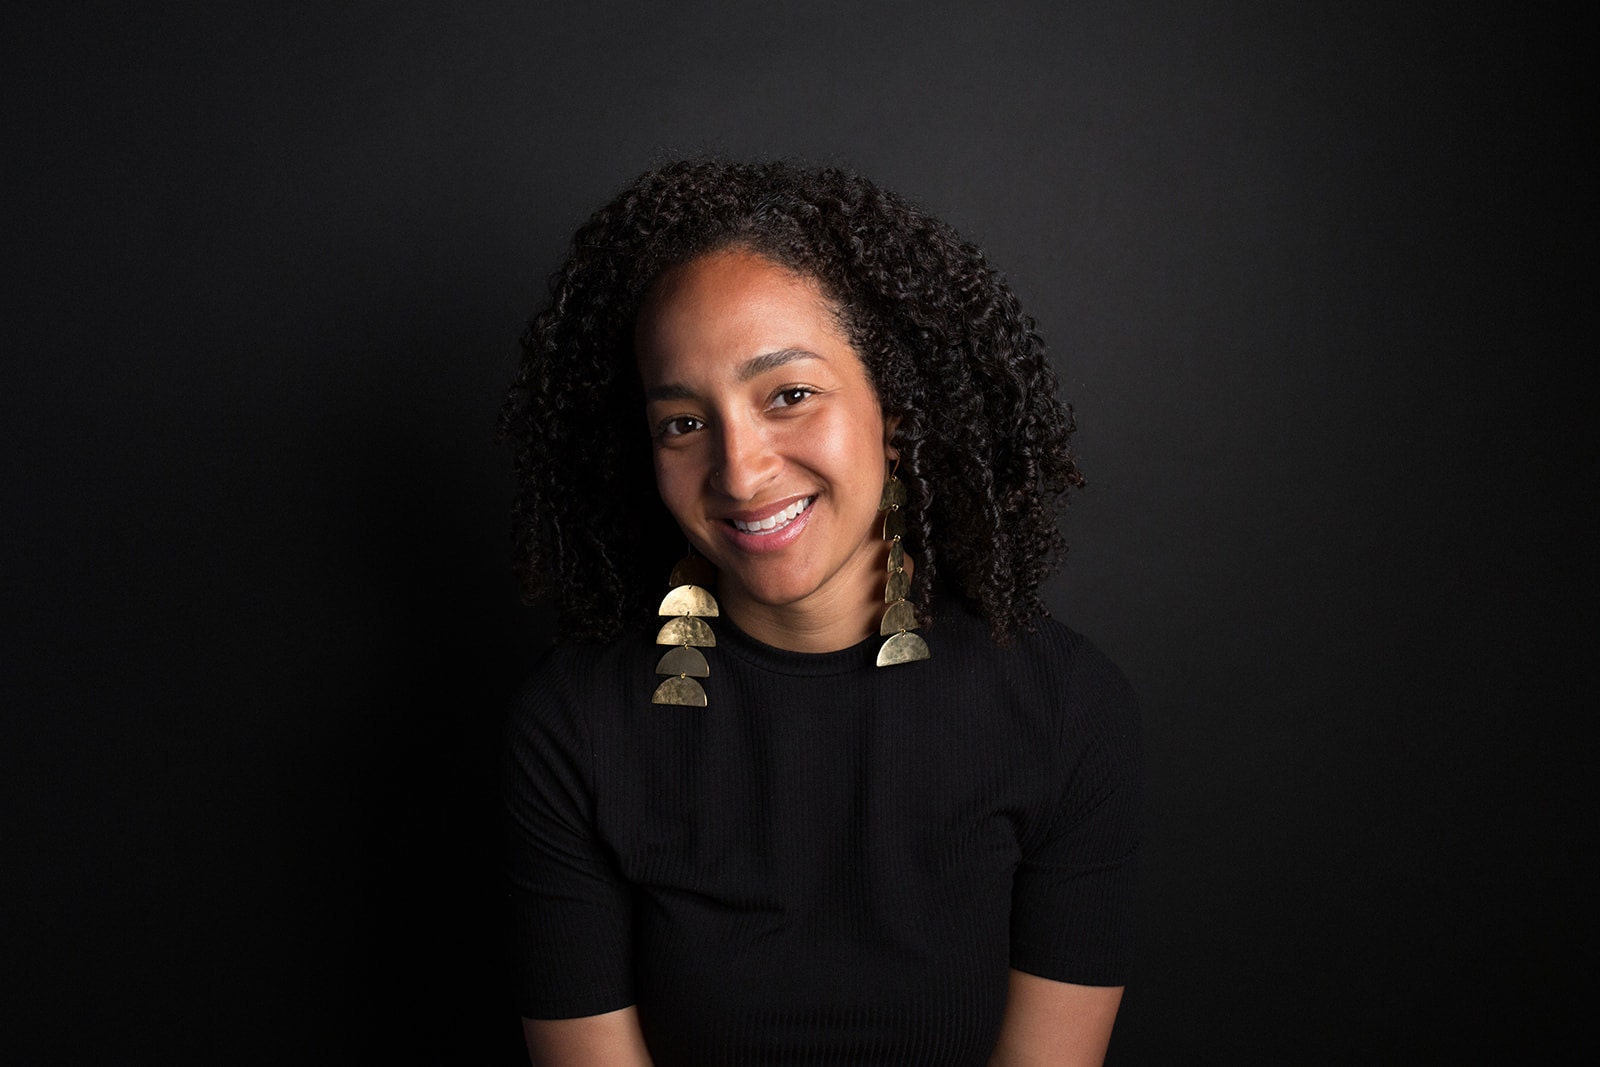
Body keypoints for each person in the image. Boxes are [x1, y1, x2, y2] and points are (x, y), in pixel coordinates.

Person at [499, 160, 1141, 1066]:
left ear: (897, 403)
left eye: (789, 395)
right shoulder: (574, 729)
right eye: (683, 422)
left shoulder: (1067, 710)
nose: (740, 470)